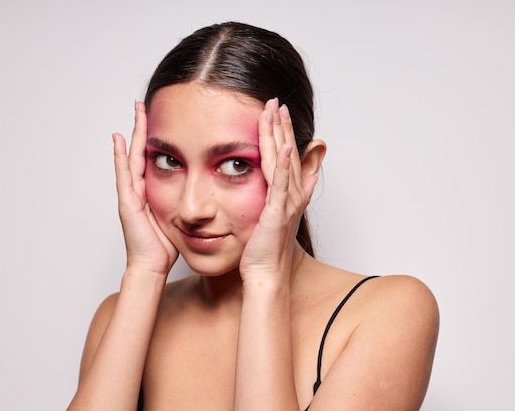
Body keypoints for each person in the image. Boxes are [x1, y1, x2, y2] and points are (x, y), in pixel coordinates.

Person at [67, 21, 439, 411]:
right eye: (168, 161)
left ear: (305, 167)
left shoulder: (389, 312)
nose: (192, 208)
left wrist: (265, 279)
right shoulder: (121, 314)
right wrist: (143, 274)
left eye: (235, 165)